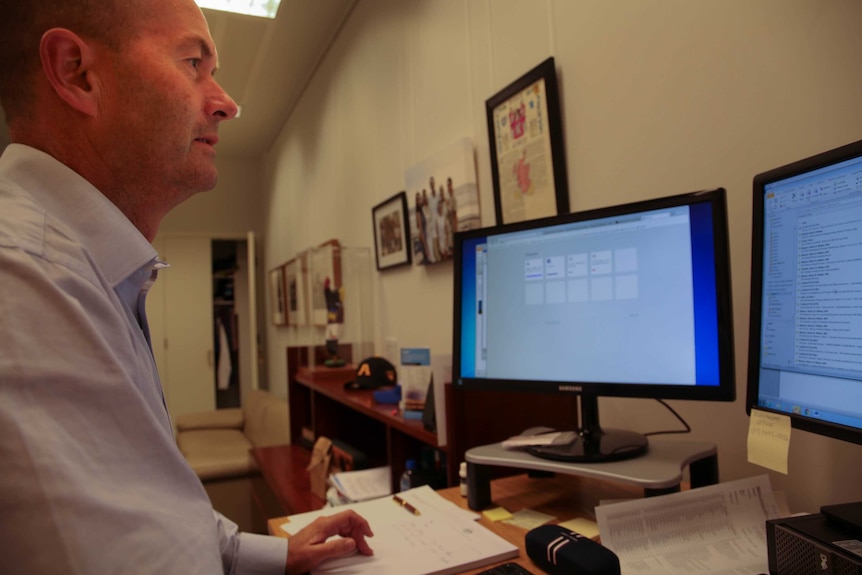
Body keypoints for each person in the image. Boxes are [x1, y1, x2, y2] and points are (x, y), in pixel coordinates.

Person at [0, 1, 373, 573]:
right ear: (77, 71)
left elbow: (163, 517)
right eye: (193, 61)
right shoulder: (23, 283)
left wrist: (279, 554)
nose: (226, 103)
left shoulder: (89, 274)